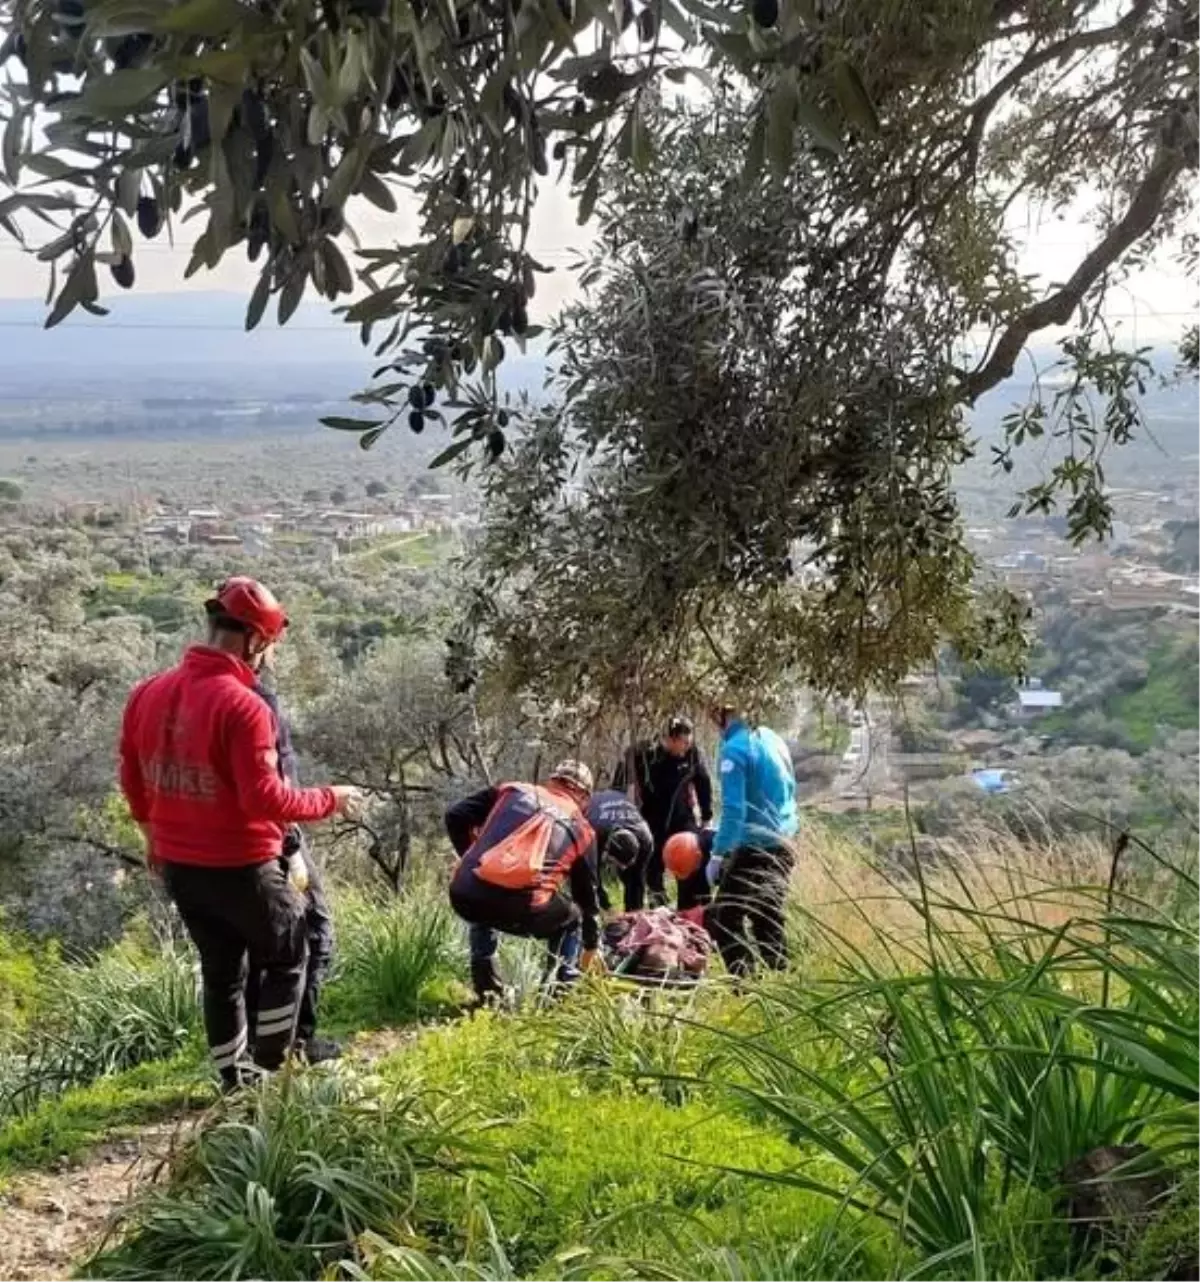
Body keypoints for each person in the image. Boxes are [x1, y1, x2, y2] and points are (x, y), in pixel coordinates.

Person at [118, 576, 361, 1089]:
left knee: (222, 974)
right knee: (292, 952)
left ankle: (233, 1083)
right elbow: (265, 800)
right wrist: (329, 800)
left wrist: (154, 840)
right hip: (242, 866)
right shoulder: (245, 704)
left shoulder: (147, 693)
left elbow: (134, 782)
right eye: (268, 646)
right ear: (255, 640)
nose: (268, 656)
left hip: (182, 869)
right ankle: (272, 1073)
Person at [445, 760, 604, 1004]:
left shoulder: (512, 790)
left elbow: (455, 814)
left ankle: (488, 993)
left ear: (552, 781)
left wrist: (470, 859)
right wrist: (591, 947)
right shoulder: (583, 831)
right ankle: (556, 997)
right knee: (573, 918)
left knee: (484, 893)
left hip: (465, 894)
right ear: (584, 797)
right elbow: (587, 901)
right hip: (522, 909)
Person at [243, 673, 341, 1066]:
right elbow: (275, 780)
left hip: (218, 848)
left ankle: (252, 1048)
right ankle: (291, 1046)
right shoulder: (257, 698)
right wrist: (293, 846)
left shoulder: (191, 692)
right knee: (315, 933)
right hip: (271, 837)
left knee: (247, 949)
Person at [704, 704, 798, 977]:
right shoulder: (772, 738)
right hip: (784, 840)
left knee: (722, 919)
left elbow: (735, 810)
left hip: (756, 847)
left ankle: (745, 988)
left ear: (721, 714)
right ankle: (784, 982)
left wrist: (718, 854)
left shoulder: (734, 750)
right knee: (767, 916)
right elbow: (790, 787)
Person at [613, 716, 713, 906]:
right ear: (670, 739)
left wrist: (707, 816)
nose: (686, 748)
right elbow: (619, 784)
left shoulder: (692, 754)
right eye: (684, 743)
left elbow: (703, 782)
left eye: (689, 743)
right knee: (653, 871)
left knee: (690, 863)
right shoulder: (643, 754)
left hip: (682, 820)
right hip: (652, 819)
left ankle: (689, 911)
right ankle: (658, 910)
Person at [585, 787, 654, 913]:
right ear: (607, 851)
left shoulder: (646, 840)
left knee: (634, 878)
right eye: (618, 864)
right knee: (586, 879)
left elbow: (638, 878)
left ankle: (634, 914)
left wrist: (635, 913)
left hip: (618, 803)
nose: (621, 868)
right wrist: (607, 907)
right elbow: (591, 877)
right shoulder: (593, 834)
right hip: (595, 805)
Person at [663, 828, 715, 912]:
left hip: (710, 856)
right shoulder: (678, 853)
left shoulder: (722, 851)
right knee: (685, 903)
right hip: (688, 849)